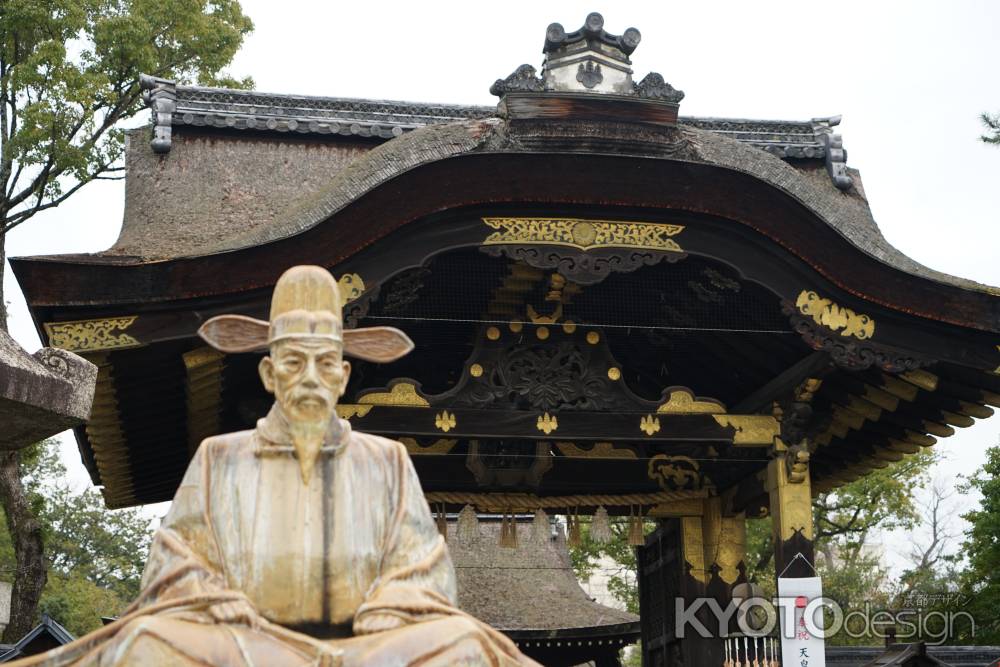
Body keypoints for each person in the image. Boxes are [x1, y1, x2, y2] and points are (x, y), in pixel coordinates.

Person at [15, 266, 537, 666]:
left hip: (368, 650)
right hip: (250, 644)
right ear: (269, 372)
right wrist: (209, 595)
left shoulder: (387, 462)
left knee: (463, 642)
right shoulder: (220, 459)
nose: (309, 375)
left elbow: (420, 565)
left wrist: (390, 608)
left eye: (324, 362)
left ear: (342, 374)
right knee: (151, 641)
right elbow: (177, 561)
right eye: (293, 360)